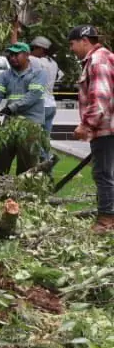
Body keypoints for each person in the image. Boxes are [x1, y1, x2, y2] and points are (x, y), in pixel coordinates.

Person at [70, 25, 114, 232]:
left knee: (103, 174)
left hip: (106, 129)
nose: (71, 49)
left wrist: (85, 125)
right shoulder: (102, 58)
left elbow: (100, 98)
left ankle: (106, 221)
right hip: (106, 128)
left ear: (85, 40)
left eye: (72, 43)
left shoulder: (98, 60)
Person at [0, 42, 46, 176]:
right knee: (2, 158)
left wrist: (11, 108)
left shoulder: (38, 74)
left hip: (30, 123)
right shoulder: (5, 75)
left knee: (27, 161)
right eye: (10, 55)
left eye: (16, 54)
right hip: (10, 122)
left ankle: (25, 191)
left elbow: (33, 96)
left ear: (27, 55)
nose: (12, 58)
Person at [30, 36, 59, 166]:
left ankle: (42, 167)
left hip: (40, 105)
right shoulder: (54, 63)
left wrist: (14, 29)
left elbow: (16, 49)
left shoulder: (37, 61)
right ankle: (48, 172)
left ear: (41, 49)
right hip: (51, 105)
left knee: (35, 141)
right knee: (45, 140)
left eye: (34, 48)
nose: (31, 51)